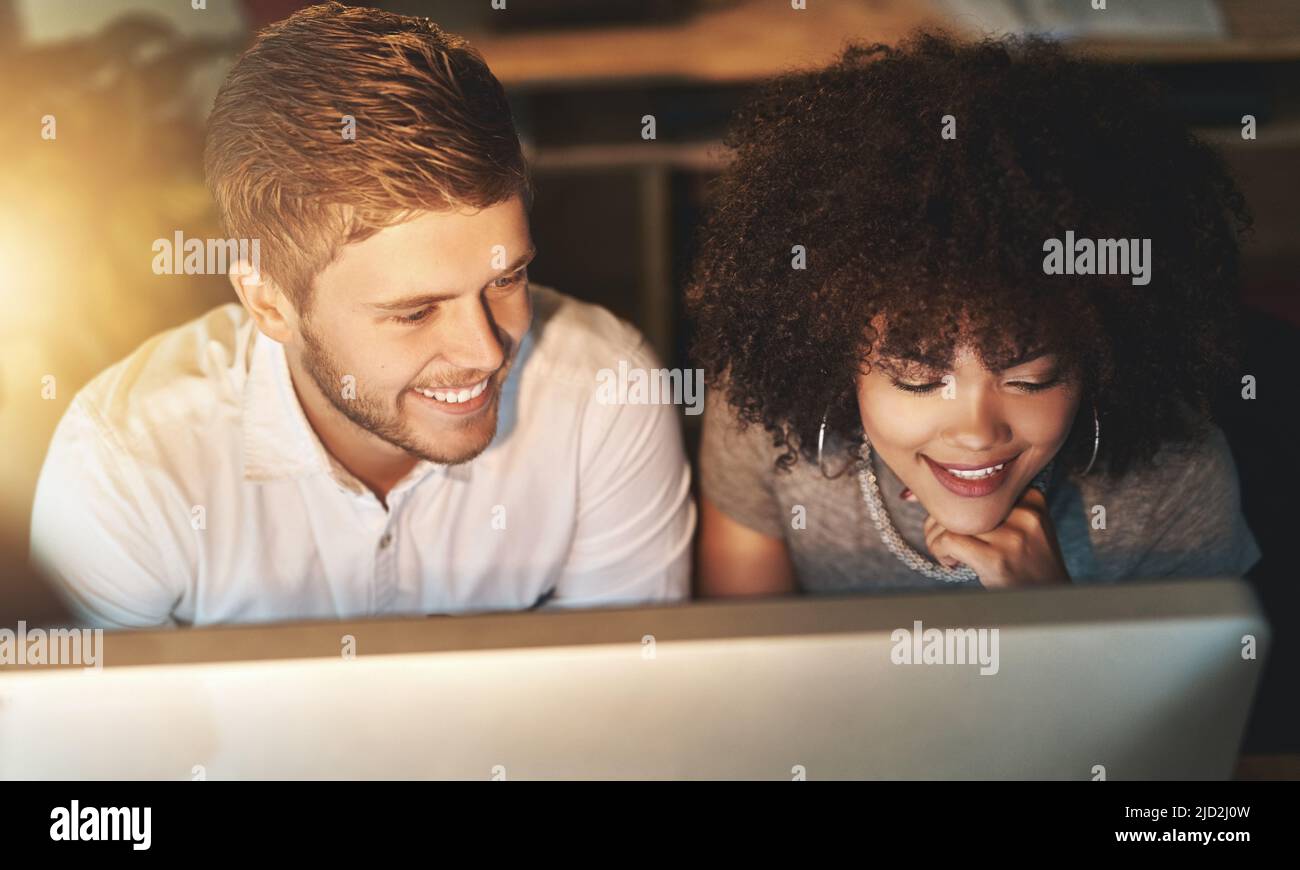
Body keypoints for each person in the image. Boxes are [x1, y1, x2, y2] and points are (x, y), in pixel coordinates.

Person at [29, 3, 694, 628]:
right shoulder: (126, 468)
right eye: (415, 312)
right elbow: (104, 749)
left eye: (507, 277)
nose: (486, 352)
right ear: (269, 302)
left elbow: (627, 722)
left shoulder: (604, 396)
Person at [688, 33, 1260, 595]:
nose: (977, 433)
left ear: (1097, 356)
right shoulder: (762, 426)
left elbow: (1196, 691)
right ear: (836, 355)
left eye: (1028, 380)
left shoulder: (1176, 482)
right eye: (919, 379)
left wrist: (1050, 613)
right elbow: (746, 677)